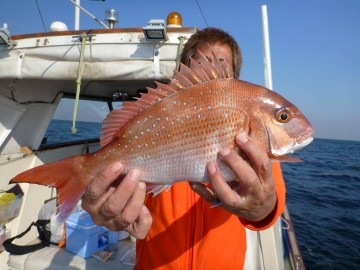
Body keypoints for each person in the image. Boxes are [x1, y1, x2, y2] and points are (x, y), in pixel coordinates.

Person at [82, 27, 286, 269]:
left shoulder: (254, 145)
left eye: (222, 65)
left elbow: (270, 202)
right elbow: (121, 195)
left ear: (235, 82)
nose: (213, 73)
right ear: (182, 74)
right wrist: (110, 209)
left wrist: (261, 209)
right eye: (201, 64)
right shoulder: (161, 115)